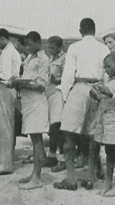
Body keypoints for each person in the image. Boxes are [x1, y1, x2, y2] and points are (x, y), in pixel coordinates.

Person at [53, 18, 109, 191]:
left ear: (80, 31)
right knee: (92, 135)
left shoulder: (74, 48)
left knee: (69, 132)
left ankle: (71, 179)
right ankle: (90, 177)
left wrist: (64, 94)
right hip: (98, 88)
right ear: (94, 30)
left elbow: (68, 73)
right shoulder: (104, 48)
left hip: (80, 86)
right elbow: (107, 73)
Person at [92, 54, 115, 197]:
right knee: (108, 152)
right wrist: (96, 94)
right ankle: (108, 182)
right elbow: (101, 98)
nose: (106, 69)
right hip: (103, 119)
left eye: (108, 66)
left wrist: (111, 94)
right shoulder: (105, 79)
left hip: (114, 119)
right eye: (104, 67)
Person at [17, 31, 50, 190]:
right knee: (33, 137)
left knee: (37, 140)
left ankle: (37, 178)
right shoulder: (30, 58)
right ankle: (34, 173)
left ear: (38, 42)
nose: (28, 47)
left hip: (37, 102)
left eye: (30, 44)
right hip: (28, 102)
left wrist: (21, 84)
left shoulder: (43, 59)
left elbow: (41, 85)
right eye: (27, 44)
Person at [0, 28, 22, 176]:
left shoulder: (8, 53)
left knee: (3, 128)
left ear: (2, 38)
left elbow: (6, 76)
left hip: (4, 90)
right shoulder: (9, 52)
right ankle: (1, 162)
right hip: (5, 90)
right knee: (2, 127)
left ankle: (3, 164)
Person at [43, 36, 66, 173]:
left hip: (59, 93)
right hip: (49, 94)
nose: (49, 50)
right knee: (52, 128)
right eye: (48, 47)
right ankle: (52, 155)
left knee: (58, 126)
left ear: (59, 47)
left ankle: (62, 158)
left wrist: (54, 78)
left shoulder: (64, 59)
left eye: (52, 47)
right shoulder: (49, 59)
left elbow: (66, 77)